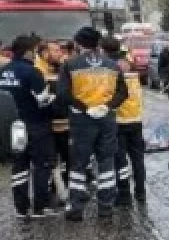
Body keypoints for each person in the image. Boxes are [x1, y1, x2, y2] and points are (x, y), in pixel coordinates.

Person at [57, 27, 127, 221]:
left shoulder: (70, 64)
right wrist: (107, 106)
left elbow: (63, 94)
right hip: (106, 120)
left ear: (79, 43)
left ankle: (76, 208)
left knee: (79, 164)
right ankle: (106, 207)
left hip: (82, 120)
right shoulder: (112, 65)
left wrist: (85, 107)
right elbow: (123, 92)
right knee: (106, 162)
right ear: (97, 43)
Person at [0, 35, 57, 218]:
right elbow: (42, 101)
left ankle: (21, 208)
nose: (35, 55)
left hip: (12, 127)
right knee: (41, 165)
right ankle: (41, 206)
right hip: (35, 125)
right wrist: (54, 104)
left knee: (19, 166)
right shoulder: (32, 72)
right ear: (27, 52)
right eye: (34, 51)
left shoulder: (3, 70)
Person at [107, 41, 146, 206]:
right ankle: (141, 192)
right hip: (136, 120)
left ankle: (124, 194)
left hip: (120, 122)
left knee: (121, 160)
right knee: (137, 159)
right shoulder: (133, 71)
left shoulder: (113, 72)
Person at [36, 41, 72, 205]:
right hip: (49, 125)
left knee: (68, 158)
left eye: (60, 50)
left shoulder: (62, 67)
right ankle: (55, 191)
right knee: (51, 160)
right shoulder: (38, 71)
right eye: (56, 51)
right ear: (44, 54)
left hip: (65, 124)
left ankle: (66, 189)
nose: (60, 53)